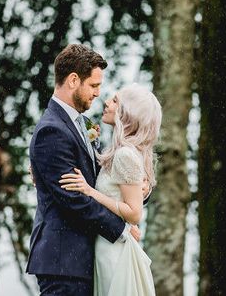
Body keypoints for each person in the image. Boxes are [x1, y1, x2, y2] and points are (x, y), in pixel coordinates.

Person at [26, 44, 138, 295]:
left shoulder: (82, 124)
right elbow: (73, 200)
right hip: (63, 261)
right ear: (73, 80)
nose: (99, 93)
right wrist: (121, 230)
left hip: (81, 260)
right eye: (94, 85)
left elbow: (104, 182)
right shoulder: (51, 131)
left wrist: (138, 191)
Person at [59, 83, 162, 296]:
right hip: (105, 245)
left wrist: (90, 191)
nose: (106, 101)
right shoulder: (117, 152)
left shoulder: (125, 155)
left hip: (114, 253)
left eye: (115, 100)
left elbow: (134, 213)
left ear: (129, 113)